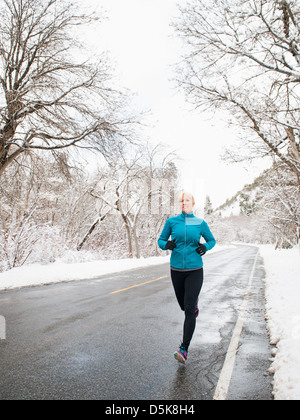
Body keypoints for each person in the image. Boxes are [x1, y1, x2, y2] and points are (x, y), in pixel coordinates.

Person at [158, 192, 216, 364]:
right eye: (182, 201)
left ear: (193, 203)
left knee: (189, 309)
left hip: (195, 270)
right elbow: (160, 240)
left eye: (187, 200)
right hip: (176, 270)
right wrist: (166, 245)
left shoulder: (199, 222)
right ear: (179, 204)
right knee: (184, 306)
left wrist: (205, 247)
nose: (184, 203)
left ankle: (184, 348)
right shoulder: (172, 222)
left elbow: (212, 240)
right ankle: (193, 304)